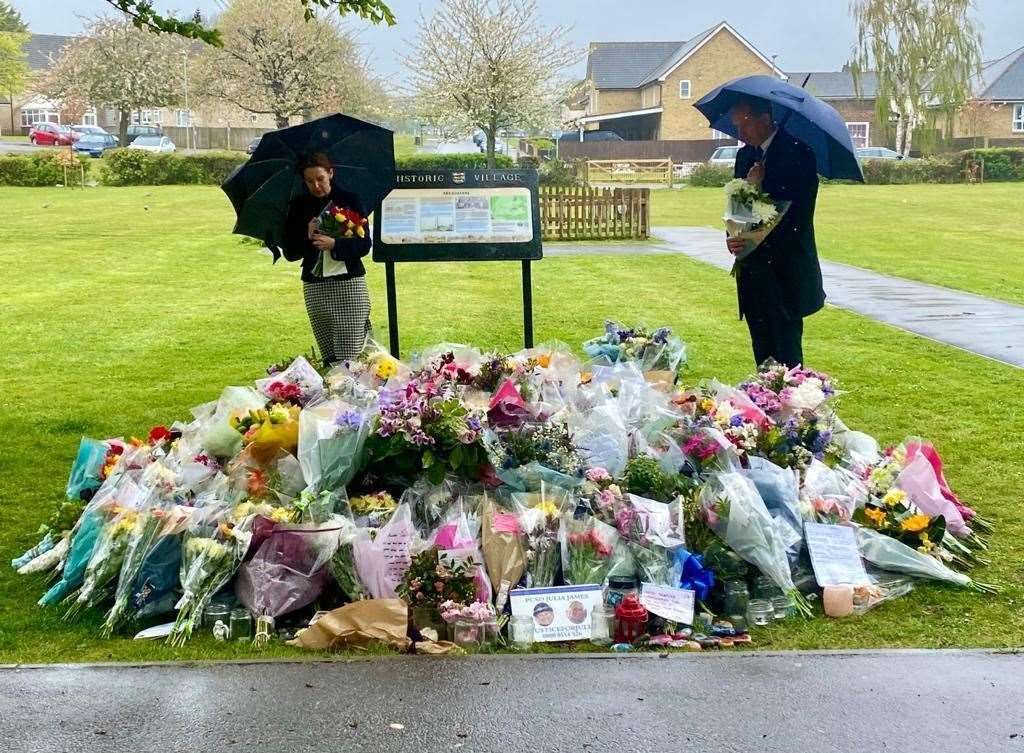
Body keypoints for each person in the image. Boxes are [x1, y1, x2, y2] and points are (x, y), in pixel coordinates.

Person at [726, 96, 824, 368]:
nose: (739, 132)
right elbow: (737, 208)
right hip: (753, 270)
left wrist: (759, 185)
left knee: (787, 352)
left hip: (784, 271)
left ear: (765, 119)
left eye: (744, 123)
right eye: (736, 124)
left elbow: (794, 214)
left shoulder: (798, 154)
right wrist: (734, 237)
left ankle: (791, 407)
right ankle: (763, 404)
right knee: (762, 350)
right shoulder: (746, 155)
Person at [282, 152, 372, 366]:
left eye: (320, 178)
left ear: (330, 173)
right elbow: (291, 253)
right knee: (329, 356)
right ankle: (335, 396)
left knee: (352, 355)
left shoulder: (350, 200)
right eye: (310, 181)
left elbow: (364, 244)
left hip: (348, 285)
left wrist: (335, 245)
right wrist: (307, 235)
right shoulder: (298, 205)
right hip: (316, 287)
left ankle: (358, 395)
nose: (316, 185)